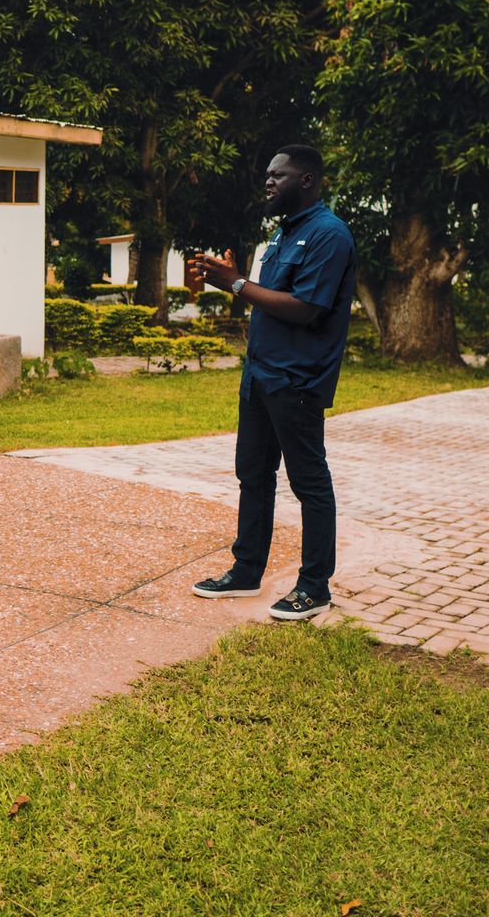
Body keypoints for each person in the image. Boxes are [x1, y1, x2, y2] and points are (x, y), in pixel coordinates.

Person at [186, 145, 355, 621]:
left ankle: (314, 586)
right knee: (252, 476)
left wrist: (237, 284)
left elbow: (305, 309)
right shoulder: (283, 236)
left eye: (276, 176)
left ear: (306, 180)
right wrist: (234, 282)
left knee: (309, 483)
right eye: (267, 174)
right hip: (260, 376)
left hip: (297, 380)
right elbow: (269, 299)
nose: (267, 182)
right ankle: (245, 572)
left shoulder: (329, 235)